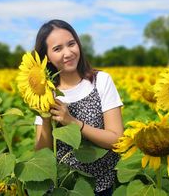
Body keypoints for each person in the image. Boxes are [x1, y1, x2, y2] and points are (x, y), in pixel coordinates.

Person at [34, 19, 123, 196]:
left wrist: (72, 123)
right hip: (62, 188)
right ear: (47, 58)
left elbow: (117, 140)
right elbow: (41, 153)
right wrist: (44, 115)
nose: (68, 53)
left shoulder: (101, 81)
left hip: (100, 186)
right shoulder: (45, 91)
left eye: (71, 44)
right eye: (57, 49)